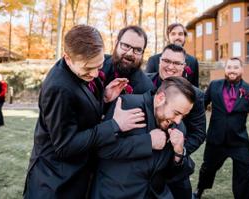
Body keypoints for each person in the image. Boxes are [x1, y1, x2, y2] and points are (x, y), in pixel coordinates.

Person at [23, 25, 149, 199]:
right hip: (56, 183)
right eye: (88, 69)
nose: (96, 74)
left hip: (80, 177)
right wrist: (114, 125)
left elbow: (82, 113)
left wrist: (104, 98)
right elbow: (65, 146)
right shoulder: (59, 88)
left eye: (98, 66)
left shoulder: (84, 71)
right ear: (67, 58)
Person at [91, 76, 196, 198]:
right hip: (115, 194)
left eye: (183, 116)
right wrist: (148, 142)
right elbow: (102, 150)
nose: (178, 121)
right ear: (160, 98)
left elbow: (174, 176)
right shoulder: (127, 105)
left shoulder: (178, 126)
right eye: (176, 113)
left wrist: (179, 154)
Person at [193, 57, 249, 199]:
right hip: (215, 140)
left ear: (242, 70)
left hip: (239, 142)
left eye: (235, 67)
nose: (232, 70)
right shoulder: (214, 85)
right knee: (207, 169)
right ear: (225, 70)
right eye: (229, 67)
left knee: (244, 174)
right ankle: (200, 189)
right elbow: (200, 107)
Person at [148, 44, 206, 199]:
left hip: (175, 170)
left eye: (177, 63)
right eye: (166, 60)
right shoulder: (143, 83)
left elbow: (199, 133)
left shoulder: (196, 95)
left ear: (184, 66)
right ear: (159, 61)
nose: (171, 67)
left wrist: (178, 151)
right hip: (144, 164)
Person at [102, 25, 154, 94]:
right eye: (126, 46)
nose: (130, 53)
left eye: (138, 50)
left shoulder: (147, 88)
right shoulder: (96, 65)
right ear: (116, 43)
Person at [146, 23, 199, 87]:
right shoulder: (153, 60)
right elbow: (147, 85)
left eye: (180, 34)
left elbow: (195, 87)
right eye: (173, 34)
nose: (177, 37)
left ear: (184, 37)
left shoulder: (193, 61)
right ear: (168, 37)